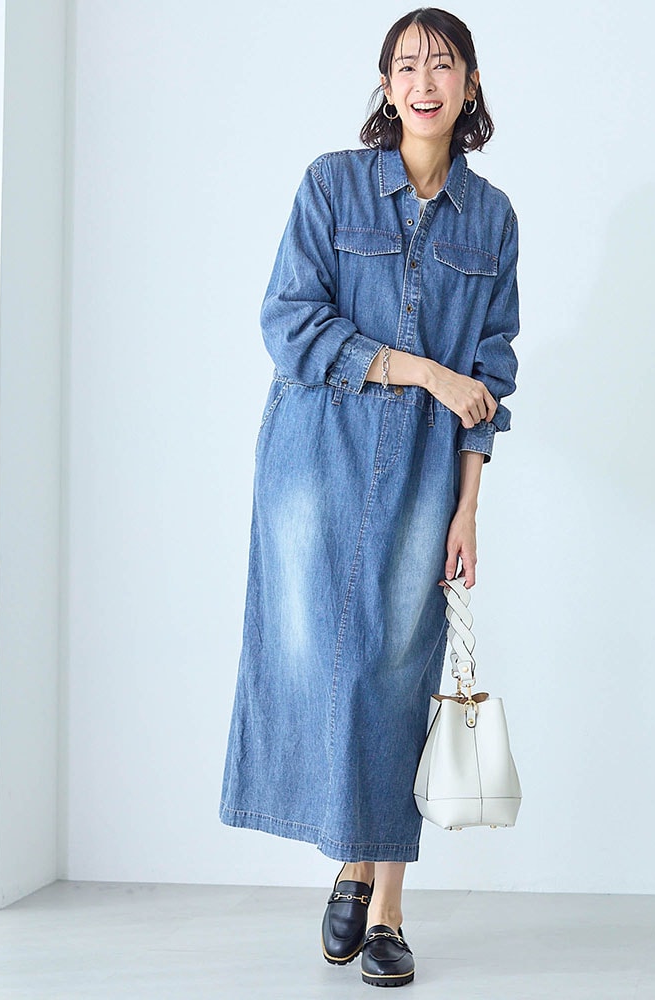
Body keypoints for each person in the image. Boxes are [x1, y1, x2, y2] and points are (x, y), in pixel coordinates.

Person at [218, 6, 520, 988]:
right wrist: (423, 371)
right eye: (406, 66)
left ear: (469, 84)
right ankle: (355, 858)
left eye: (443, 64)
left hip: (426, 471)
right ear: (386, 86)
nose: (424, 81)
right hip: (316, 455)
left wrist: (468, 507)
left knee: (395, 672)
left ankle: (381, 904)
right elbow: (289, 323)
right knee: (324, 665)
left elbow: (491, 373)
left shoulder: (493, 218)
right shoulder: (331, 183)